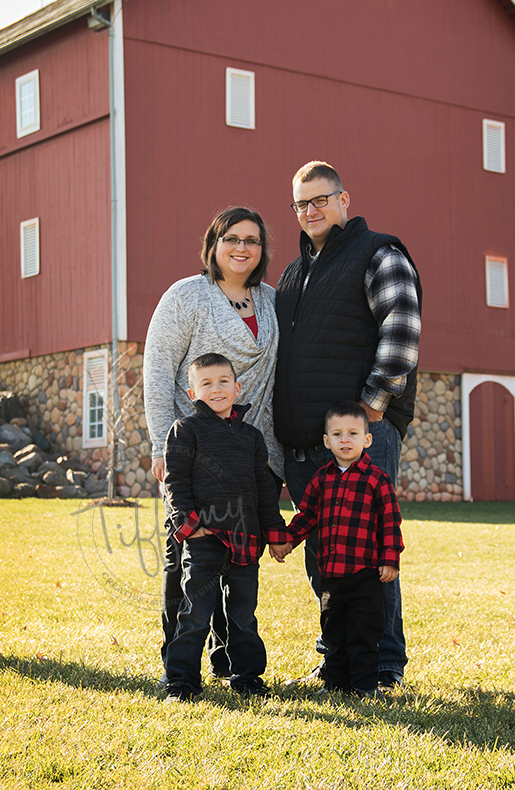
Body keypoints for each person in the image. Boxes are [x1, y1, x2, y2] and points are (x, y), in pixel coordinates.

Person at [273, 161, 421, 690]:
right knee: (325, 557)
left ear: (343, 199)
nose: (310, 210)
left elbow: (401, 327)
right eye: (301, 203)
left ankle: (382, 664)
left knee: (369, 553)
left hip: (358, 437)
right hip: (304, 445)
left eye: (320, 199)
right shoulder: (293, 274)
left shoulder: (379, 253)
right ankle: (337, 659)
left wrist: (372, 406)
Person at [143, 207, 284, 683]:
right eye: (231, 238)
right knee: (188, 564)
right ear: (214, 244)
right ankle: (177, 665)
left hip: (251, 454)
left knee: (238, 570)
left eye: (252, 240)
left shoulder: (271, 300)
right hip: (193, 453)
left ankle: (230, 663)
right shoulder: (187, 296)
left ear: (262, 250)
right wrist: (161, 445)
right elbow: (158, 371)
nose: (242, 248)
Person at [161, 353, 289, 701]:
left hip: (246, 538)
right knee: (195, 614)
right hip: (205, 538)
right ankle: (182, 681)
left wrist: (275, 534)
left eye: (223, 382)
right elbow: (176, 483)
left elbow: (264, 492)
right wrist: (190, 526)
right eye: (206, 384)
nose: (216, 389)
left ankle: (247, 677)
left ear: (237, 387)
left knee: (243, 616)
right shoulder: (185, 430)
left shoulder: (252, 437)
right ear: (192, 394)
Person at [271, 401, 404, 698]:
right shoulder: (322, 478)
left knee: (363, 633)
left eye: (353, 433)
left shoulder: (376, 479)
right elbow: (307, 515)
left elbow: (390, 522)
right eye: (338, 434)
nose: (345, 440)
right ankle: (335, 684)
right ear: (326, 441)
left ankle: (364, 687)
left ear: (367, 440)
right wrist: (288, 540)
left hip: (365, 575)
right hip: (331, 575)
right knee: (334, 632)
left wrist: (390, 558)